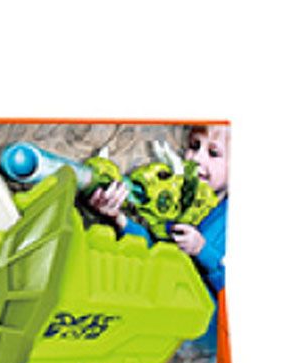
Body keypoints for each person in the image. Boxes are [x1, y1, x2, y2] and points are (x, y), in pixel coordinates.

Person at [88, 125, 229, 349]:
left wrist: (202, 251)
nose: (196, 159)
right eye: (194, 146)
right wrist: (119, 219)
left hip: (204, 330)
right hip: (161, 307)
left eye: (213, 153)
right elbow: (157, 251)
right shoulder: (179, 198)